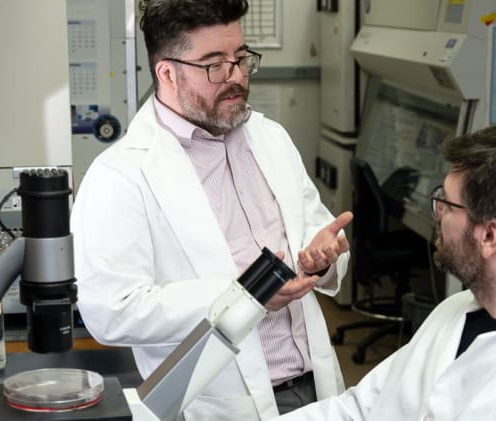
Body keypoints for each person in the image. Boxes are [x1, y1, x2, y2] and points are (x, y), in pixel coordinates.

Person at [69, 0, 352, 418]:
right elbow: (111, 311)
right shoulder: (121, 174)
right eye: (214, 65)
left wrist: (323, 260)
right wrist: (244, 296)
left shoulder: (270, 138)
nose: (236, 76)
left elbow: (316, 236)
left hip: (319, 387)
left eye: (240, 58)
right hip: (222, 403)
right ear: (167, 72)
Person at [279, 122, 496, 420]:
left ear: (489, 235)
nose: (437, 213)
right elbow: (361, 409)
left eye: (446, 203)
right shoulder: (457, 311)